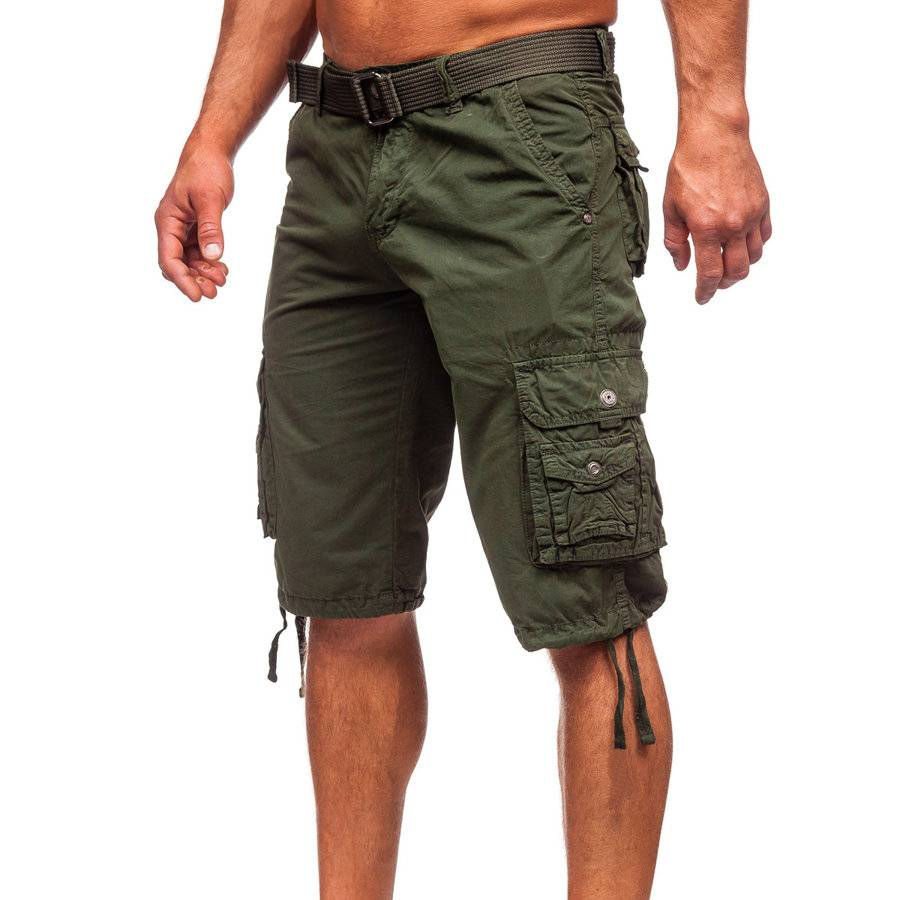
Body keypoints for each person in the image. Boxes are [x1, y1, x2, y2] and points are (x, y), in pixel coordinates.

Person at [156, 1, 770, 896]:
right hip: (334, 152)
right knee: (345, 594)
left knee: (587, 589)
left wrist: (717, 119)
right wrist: (212, 136)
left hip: (520, 132)